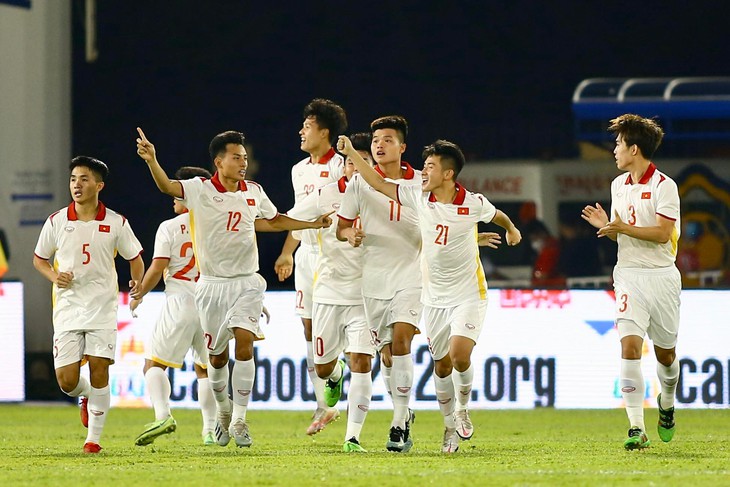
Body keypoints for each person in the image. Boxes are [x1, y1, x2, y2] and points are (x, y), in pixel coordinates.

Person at [135, 128, 333, 449]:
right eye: (236, 157)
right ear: (219, 161)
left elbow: (273, 220)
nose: (242, 163)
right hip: (212, 286)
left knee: (245, 343)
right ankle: (224, 411)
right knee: (216, 360)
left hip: (248, 282)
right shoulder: (199, 189)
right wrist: (153, 160)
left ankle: (240, 418)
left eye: (245, 158)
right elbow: (166, 186)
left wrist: (311, 224)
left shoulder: (253, 190)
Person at [337, 136, 519, 454]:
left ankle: (461, 409)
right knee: (442, 366)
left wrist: (512, 229)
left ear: (448, 174)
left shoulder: (472, 202)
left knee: (460, 354)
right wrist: (352, 153)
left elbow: (496, 215)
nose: (424, 172)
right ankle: (449, 427)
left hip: (468, 294)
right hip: (434, 298)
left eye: (431, 167)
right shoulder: (418, 196)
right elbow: (379, 183)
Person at [581, 114, 681, 450]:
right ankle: (637, 427)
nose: (614, 150)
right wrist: (608, 226)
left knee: (666, 356)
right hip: (628, 276)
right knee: (629, 347)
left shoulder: (664, 186)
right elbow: (623, 235)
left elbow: (663, 234)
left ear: (634, 148)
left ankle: (666, 401)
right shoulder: (617, 186)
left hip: (662, 277)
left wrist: (620, 228)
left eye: (618, 144)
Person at [33, 156, 145, 454]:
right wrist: (55, 276)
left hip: (102, 307)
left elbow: (135, 257)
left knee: (99, 368)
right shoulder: (57, 221)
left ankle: (93, 440)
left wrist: (137, 283)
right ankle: (84, 396)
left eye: (83, 179)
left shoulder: (116, 222)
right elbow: (39, 259)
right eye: (73, 179)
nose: (77, 184)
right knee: (67, 381)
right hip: (68, 307)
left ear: (99, 185)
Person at [337, 115, 422, 453]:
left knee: (402, 341)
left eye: (387, 139)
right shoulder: (359, 185)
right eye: (375, 140)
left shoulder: (420, 182)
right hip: (373, 280)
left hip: (411, 275)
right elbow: (341, 227)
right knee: (387, 354)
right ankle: (404, 412)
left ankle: (399, 422)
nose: (379, 144)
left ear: (402, 147)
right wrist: (350, 234)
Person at [288, 133, 375, 452]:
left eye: (364, 161)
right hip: (327, 292)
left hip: (366, 296)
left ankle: (353, 436)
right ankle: (334, 375)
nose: (356, 167)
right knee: (324, 366)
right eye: (352, 161)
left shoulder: (384, 197)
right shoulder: (325, 195)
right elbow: (294, 222)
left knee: (362, 362)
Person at [273, 99, 348, 435]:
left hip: (336, 255)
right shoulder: (298, 169)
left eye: (308, 126)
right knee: (308, 327)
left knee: (340, 328)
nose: (301, 131)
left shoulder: (342, 167)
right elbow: (300, 213)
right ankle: (325, 402)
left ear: (325, 132)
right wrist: (288, 251)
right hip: (306, 254)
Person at [129, 166, 218, 447]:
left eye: (178, 192)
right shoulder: (216, 223)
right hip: (212, 302)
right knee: (205, 369)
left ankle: (163, 415)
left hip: (180, 301)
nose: (173, 198)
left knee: (153, 364)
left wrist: (140, 291)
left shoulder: (169, 227)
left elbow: (158, 267)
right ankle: (209, 431)